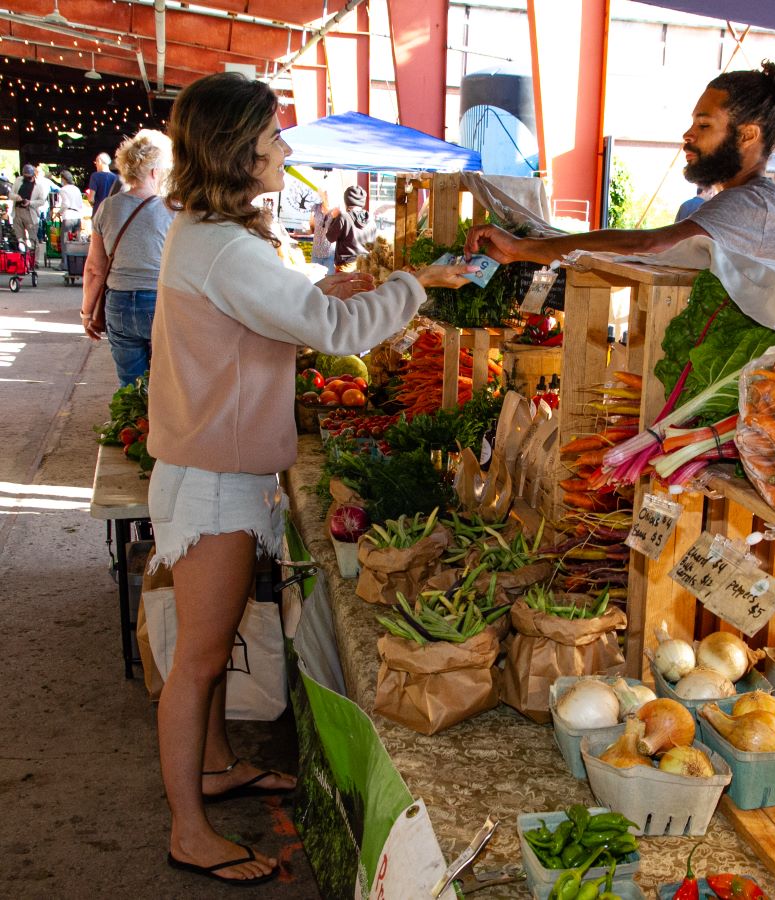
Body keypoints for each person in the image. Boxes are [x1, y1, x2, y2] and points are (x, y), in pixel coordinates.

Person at [143, 71, 472, 887]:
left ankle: (216, 766)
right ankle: (188, 830)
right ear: (237, 149)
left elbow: (259, 315)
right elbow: (335, 334)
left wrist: (316, 288)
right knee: (199, 660)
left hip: (214, 467)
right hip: (212, 478)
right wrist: (415, 285)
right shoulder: (224, 245)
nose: (284, 148)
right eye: (272, 136)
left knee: (209, 650)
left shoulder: (211, 236)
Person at [465, 60, 775, 265]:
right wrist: (529, 249)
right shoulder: (756, 202)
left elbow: (648, 245)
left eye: (705, 125)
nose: (688, 135)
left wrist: (523, 248)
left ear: (747, 135)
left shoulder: (753, 205)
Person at [81, 130, 176, 386]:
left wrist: (87, 313)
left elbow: (94, 269)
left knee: (130, 385)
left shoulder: (107, 207)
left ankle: (133, 412)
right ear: (155, 172)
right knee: (165, 384)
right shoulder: (172, 210)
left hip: (118, 303)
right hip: (158, 302)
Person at [326, 183, 376, 271]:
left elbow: (330, 237)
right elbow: (373, 243)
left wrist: (334, 218)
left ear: (347, 201)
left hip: (346, 267)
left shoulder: (344, 217)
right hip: (365, 265)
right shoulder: (371, 218)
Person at [12, 164, 50, 256]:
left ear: (33, 175)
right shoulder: (18, 181)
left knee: (33, 239)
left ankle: (35, 260)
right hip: (17, 211)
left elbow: (42, 201)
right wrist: (17, 197)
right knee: (20, 238)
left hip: (30, 213)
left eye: (28, 177)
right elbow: (11, 194)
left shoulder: (39, 186)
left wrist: (30, 202)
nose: (26, 178)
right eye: (25, 176)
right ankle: (23, 258)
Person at [309, 181, 337, 274]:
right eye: (325, 194)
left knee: (329, 280)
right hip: (316, 252)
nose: (327, 196)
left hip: (330, 254)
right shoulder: (315, 208)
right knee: (314, 280)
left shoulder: (336, 210)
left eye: (329, 194)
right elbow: (311, 227)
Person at [56, 170, 84, 240]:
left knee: (66, 241)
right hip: (77, 216)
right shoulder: (76, 189)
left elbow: (66, 204)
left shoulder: (63, 189)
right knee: (77, 241)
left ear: (63, 179)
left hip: (68, 216)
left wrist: (59, 212)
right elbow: (80, 203)